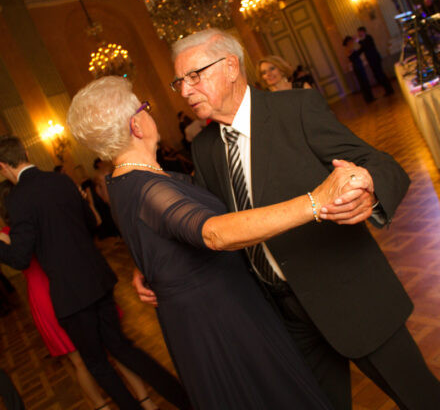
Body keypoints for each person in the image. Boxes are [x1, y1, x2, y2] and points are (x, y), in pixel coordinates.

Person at [133, 27, 440, 410]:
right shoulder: (205, 147)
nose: (184, 90)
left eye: (195, 76)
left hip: (352, 298)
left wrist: (369, 186)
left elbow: (380, 163)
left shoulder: (295, 109)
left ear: (231, 67)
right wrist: (155, 265)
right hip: (285, 317)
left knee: (421, 399)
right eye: (179, 81)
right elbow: (209, 225)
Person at [66, 75, 372, 410]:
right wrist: (316, 201)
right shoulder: (147, 188)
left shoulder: (123, 182)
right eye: (145, 107)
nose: (149, 113)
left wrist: (150, 269)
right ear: (136, 125)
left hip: (207, 315)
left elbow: (151, 235)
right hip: (222, 321)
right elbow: (213, 233)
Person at [0, 136, 191, 410]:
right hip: (97, 280)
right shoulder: (61, 180)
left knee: (97, 364)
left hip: (71, 295)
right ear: (26, 152)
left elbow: (19, 258)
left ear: (3, 166)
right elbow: (91, 224)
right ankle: (184, 399)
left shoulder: (18, 198)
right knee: (123, 348)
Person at [0, 180, 158, 410]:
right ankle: (144, 400)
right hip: (63, 291)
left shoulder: (11, 233)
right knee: (111, 349)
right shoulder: (35, 221)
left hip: (53, 294)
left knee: (86, 360)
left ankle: (116, 404)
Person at [357, 27, 394, 96]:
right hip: (371, 61)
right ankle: (387, 89)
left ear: (363, 31)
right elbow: (362, 49)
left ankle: (389, 89)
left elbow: (366, 45)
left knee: (380, 74)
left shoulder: (368, 38)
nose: (358, 34)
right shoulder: (364, 40)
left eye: (359, 32)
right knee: (377, 76)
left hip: (375, 59)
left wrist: (358, 41)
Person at [343, 35, 375, 103]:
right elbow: (356, 54)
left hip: (358, 66)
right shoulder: (348, 48)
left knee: (364, 82)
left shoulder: (349, 48)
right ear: (348, 41)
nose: (352, 42)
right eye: (351, 41)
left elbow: (358, 52)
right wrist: (359, 43)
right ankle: (369, 98)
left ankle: (369, 98)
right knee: (364, 83)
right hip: (358, 67)